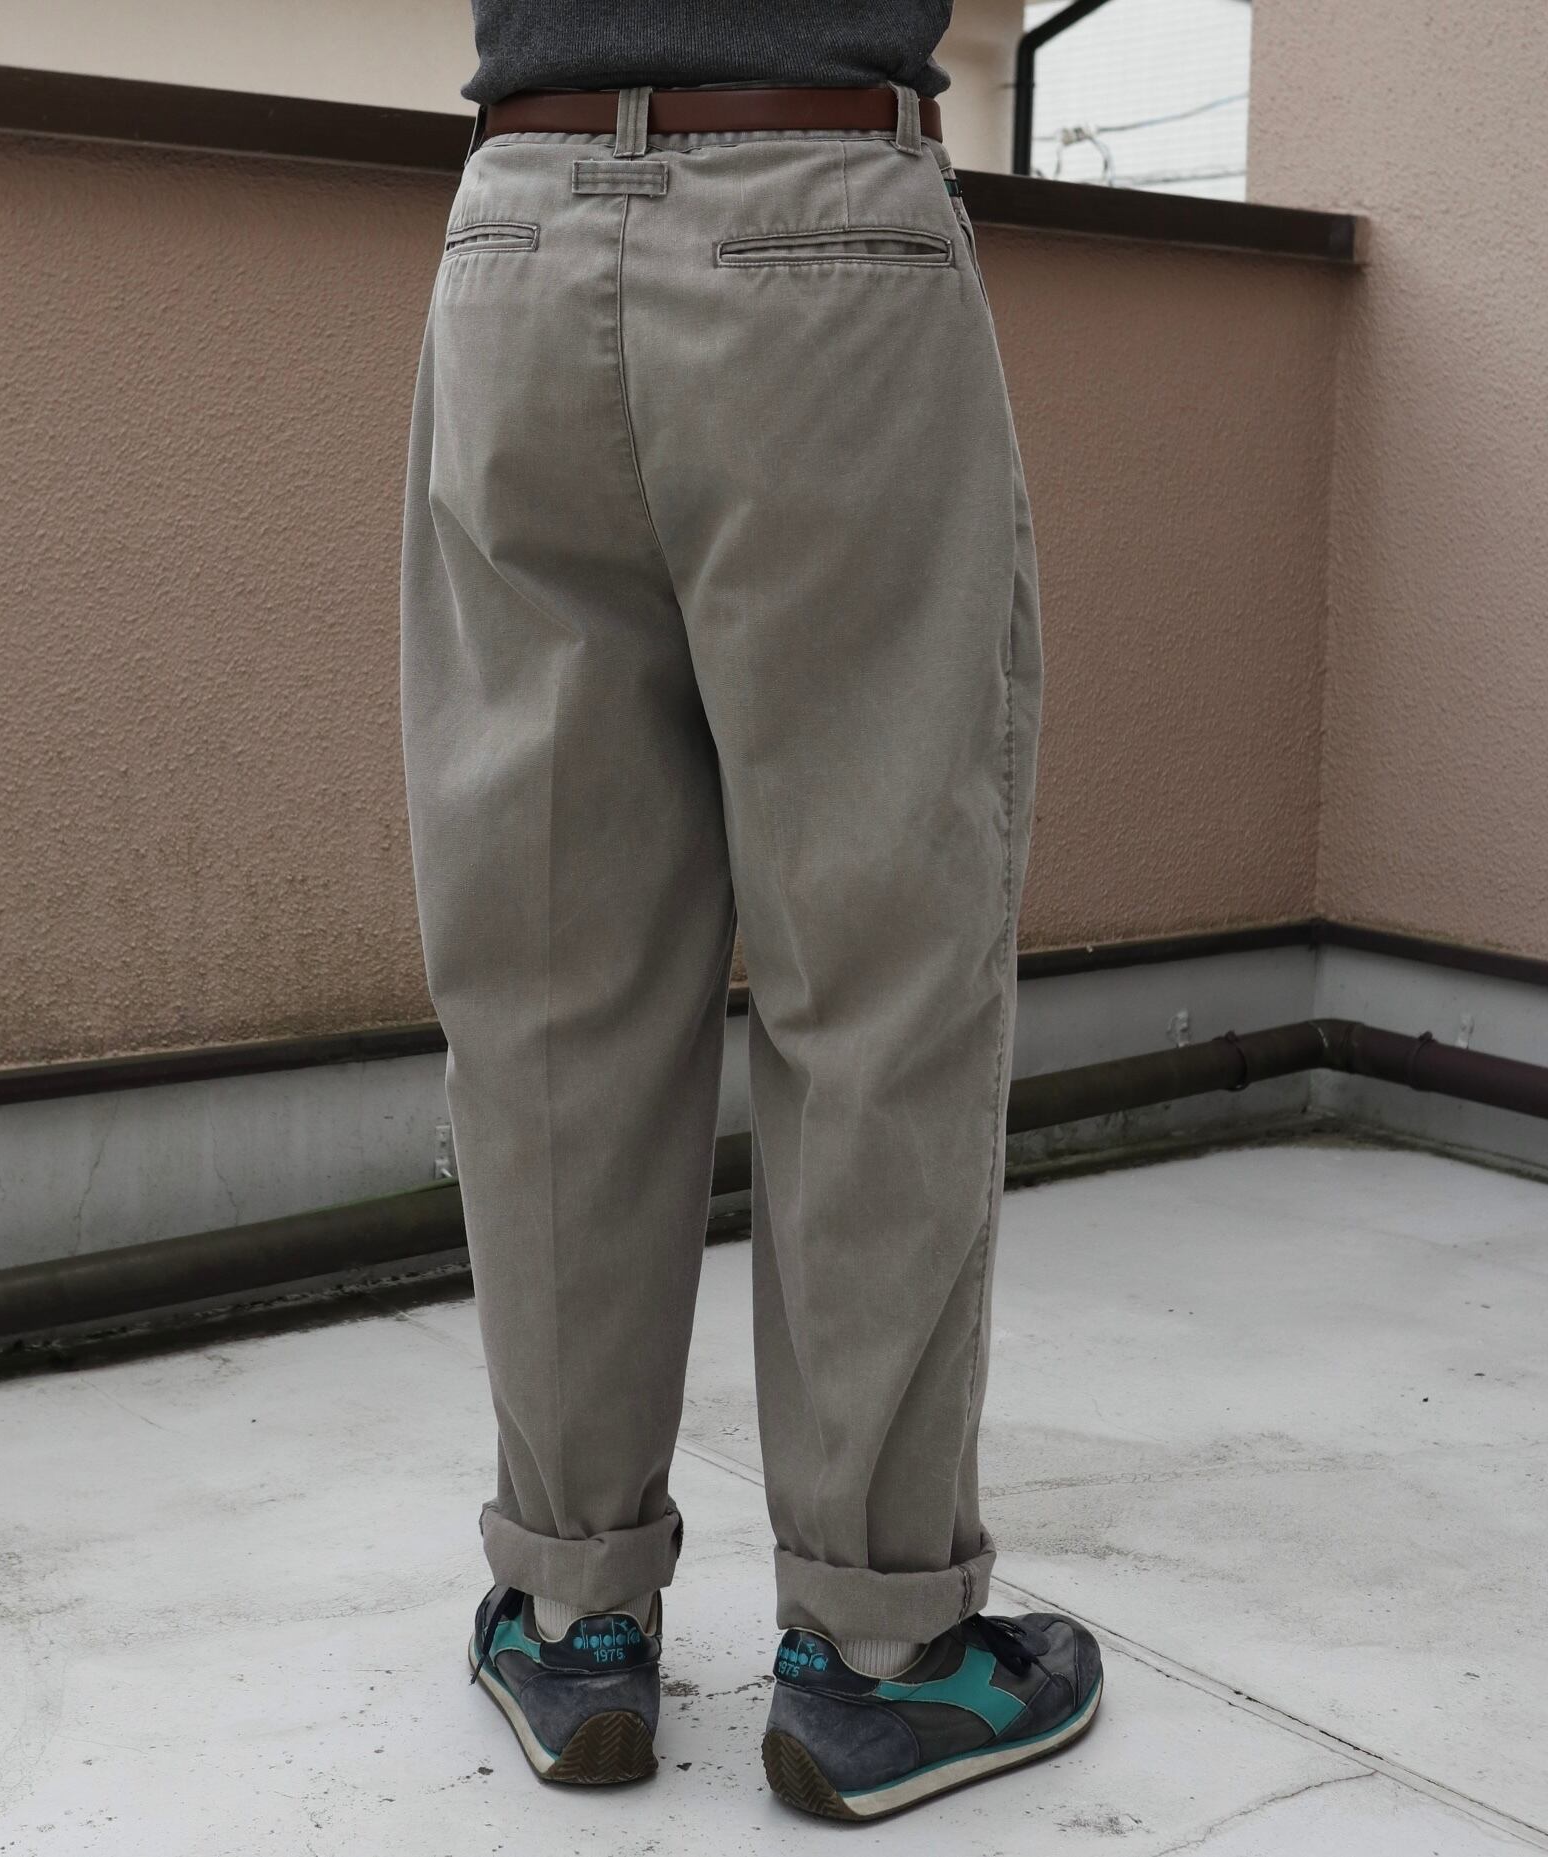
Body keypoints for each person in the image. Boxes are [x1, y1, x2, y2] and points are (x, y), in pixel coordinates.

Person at [400, 1, 1102, 1820]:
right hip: (817, 219)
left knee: (548, 984)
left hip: (521, 226)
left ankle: (570, 1613)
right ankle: (877, 1654)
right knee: (872, 970)